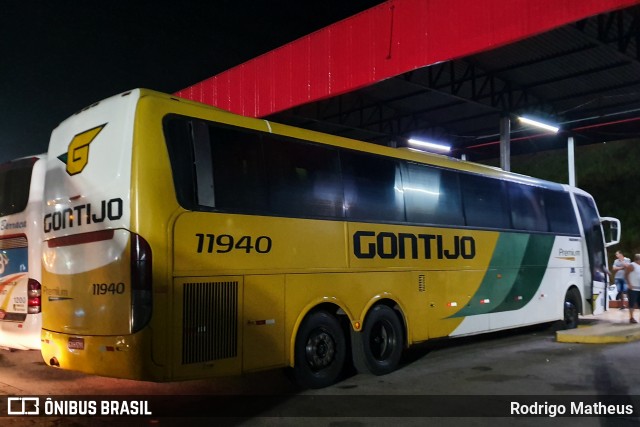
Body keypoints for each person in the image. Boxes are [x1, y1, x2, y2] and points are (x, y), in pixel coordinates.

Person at [624, 254, 640, 324]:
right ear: (638, 259)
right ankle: (631, 318)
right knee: (632, 304)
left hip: (639, 289)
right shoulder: (632, 265)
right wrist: (629, 284)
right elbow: (625, 274)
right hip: (633, 289)